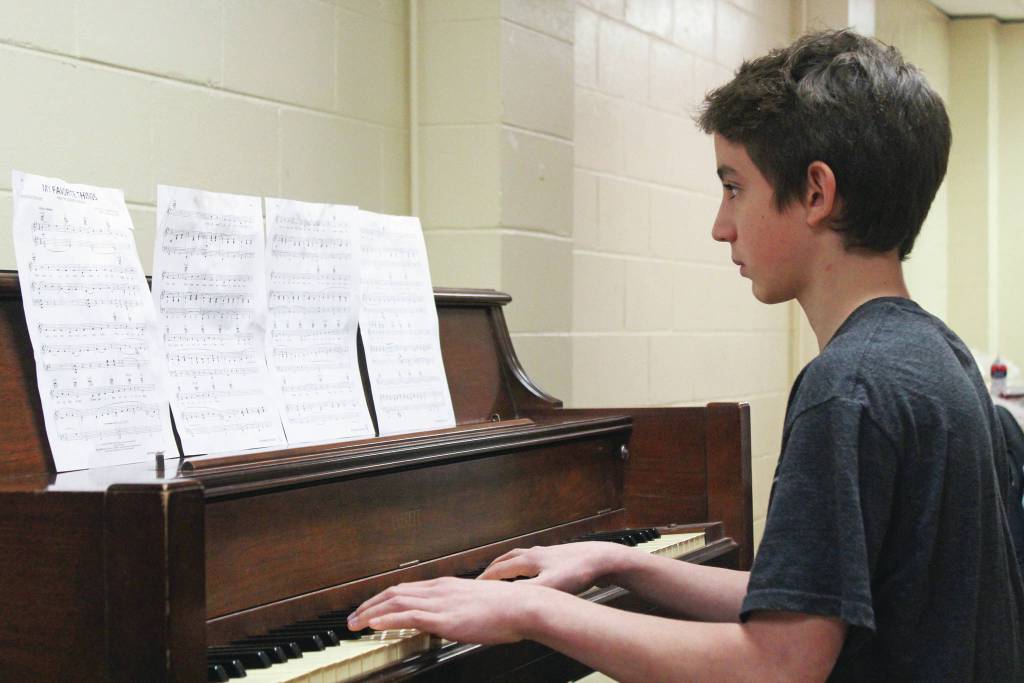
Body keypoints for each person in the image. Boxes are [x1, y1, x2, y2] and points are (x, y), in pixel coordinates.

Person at [348, 29, 1024, 681]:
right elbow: (814, 600)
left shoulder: (845, 388)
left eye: (734, 186)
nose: (720, 224)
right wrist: (621, 563)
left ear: (816, 193)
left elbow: (778, 663)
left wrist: (532, 609)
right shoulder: (936, 355)